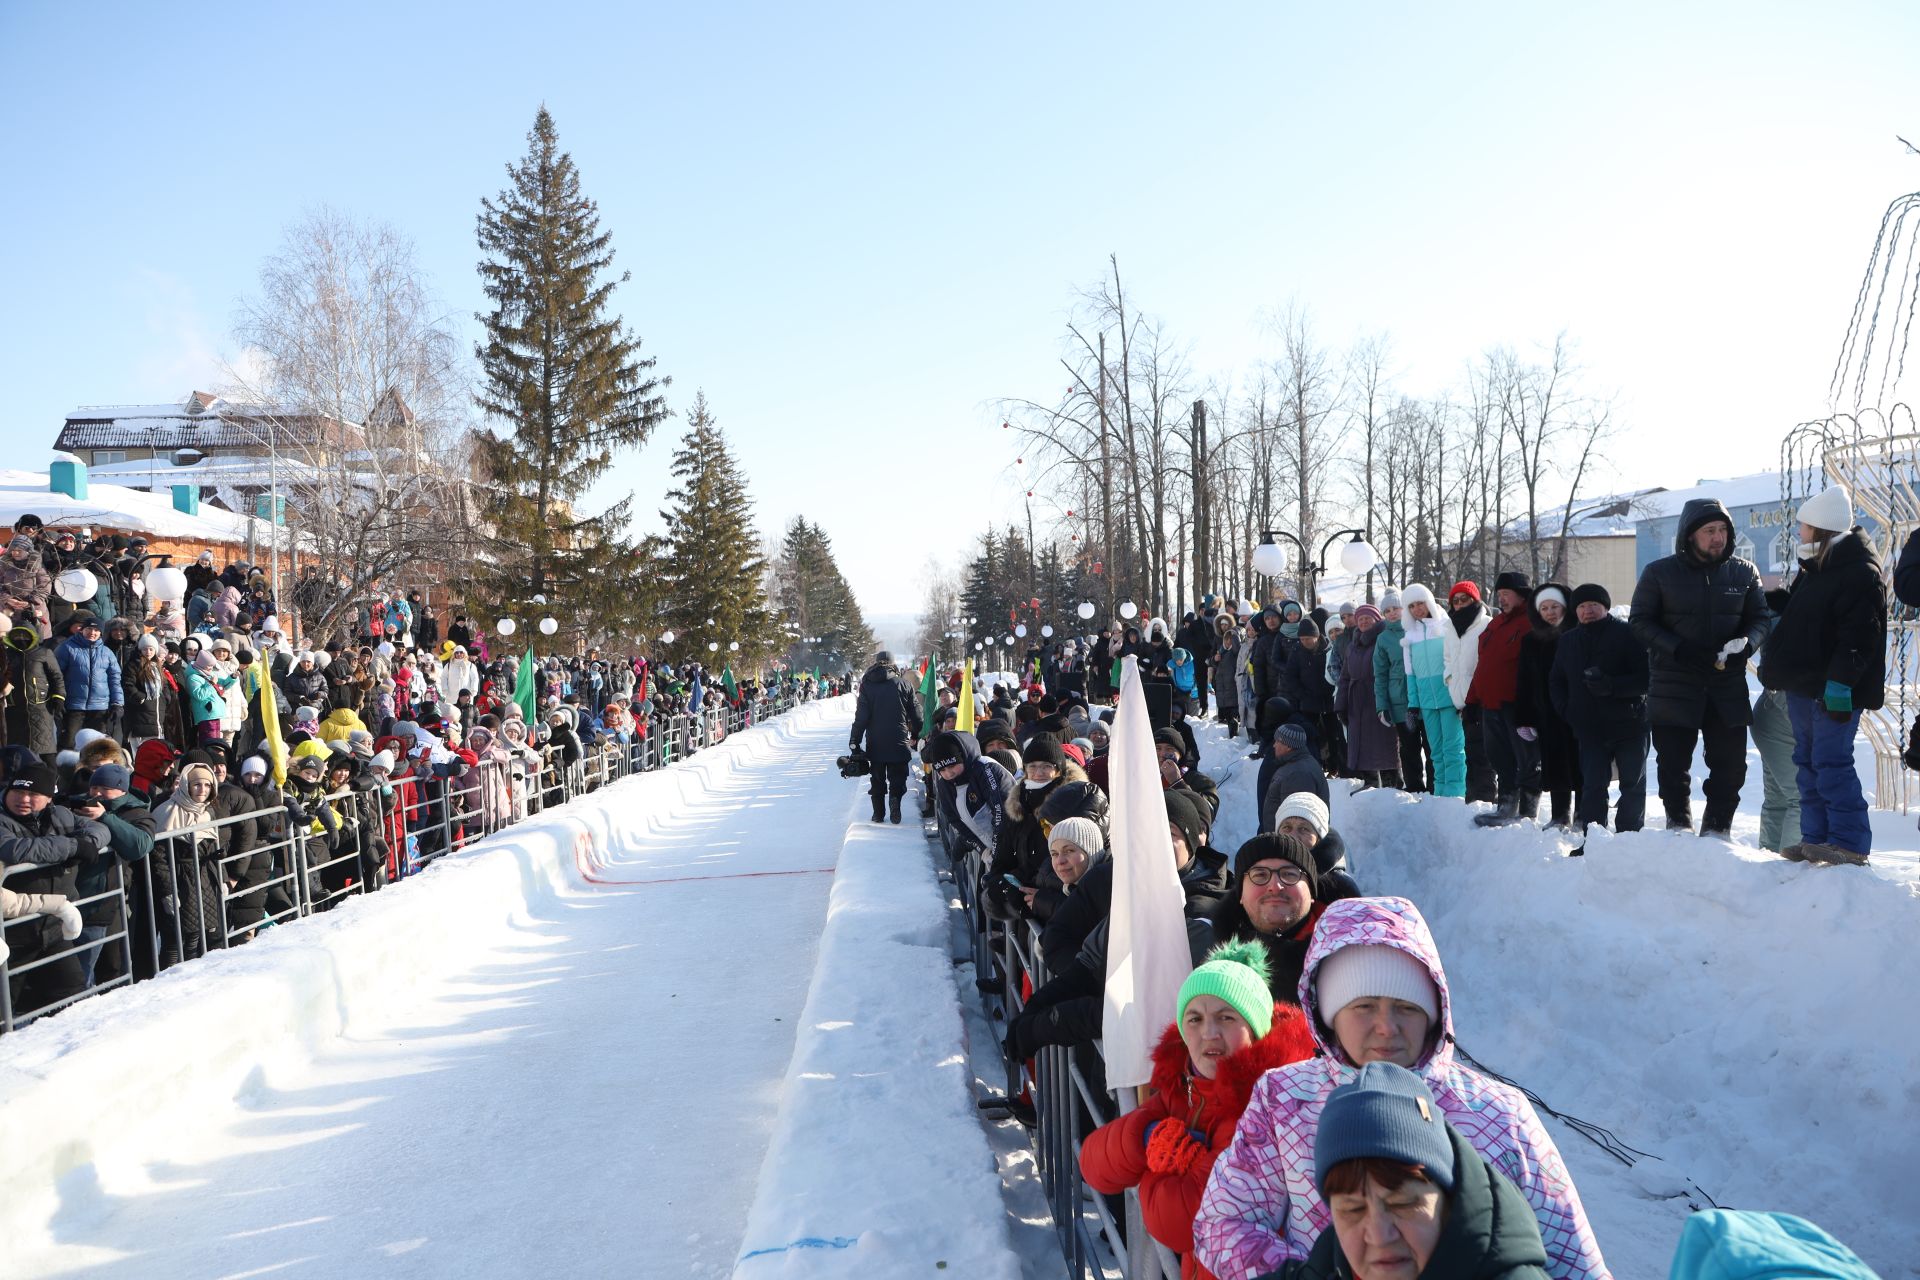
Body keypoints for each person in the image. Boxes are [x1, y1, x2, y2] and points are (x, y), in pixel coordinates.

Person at [1192, 896, 1606, 1280]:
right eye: (1364, 1006)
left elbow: (1575, 1261)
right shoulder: (1285, 1098)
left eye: (1407, 1007)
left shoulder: (1497, 1113)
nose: (1386, 1027)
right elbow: (1221, 1224)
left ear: (1434, 1011)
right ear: (1330, 1014)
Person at [1079, 941, 1317, 1280]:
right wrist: (1148, 1138)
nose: (1209, 1032)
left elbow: (1179, 1225)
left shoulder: (1261, 1105)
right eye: (1195, 1018)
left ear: (1258, 1026)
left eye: (1226, 1017)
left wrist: (1152, 1167)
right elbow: (1093, 1164)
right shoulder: (1184, 1085)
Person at [1277, 1061, 1552, 1280]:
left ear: (1447, 1197)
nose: (1379, 1235)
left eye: (1403, 1203)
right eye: (1352, 1209)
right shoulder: (1327, 1266)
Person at [1757, 485, 1885, 865]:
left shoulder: (1859, 572)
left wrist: (1840, 683)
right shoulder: (1817, 567)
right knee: (1807, 761)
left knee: (1832, 761)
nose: (1800, 533)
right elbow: (1810, 617)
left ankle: (1849, 842)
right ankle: (1815, 838)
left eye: (1805, 527)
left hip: (1833, 689)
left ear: (1823, 530)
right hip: (1804, 685)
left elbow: (1859, 635)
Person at [1629, 497, 1772, 836]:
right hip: (1674, 683)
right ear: (1690, 534)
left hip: (1727, 685)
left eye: (1722, 530)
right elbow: (1639, 622)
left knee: (1731, 765)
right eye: (1709, 530)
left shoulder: (1744, 571)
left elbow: (1761, 619)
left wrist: (1747, 644)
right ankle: (1677, 824)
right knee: (1673, 765)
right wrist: (1678, 648)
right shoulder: (1659, 573)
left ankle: (1717, 830)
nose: (1717, 537)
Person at [1550, 584, 1650, 839]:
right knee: (1593, 786)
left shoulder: (1628, 634)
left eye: (1594, 605)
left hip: (1629, 724)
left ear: (1605, 607)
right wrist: (1567, 710)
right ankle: (1593, 841)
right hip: (1590, 728)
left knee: (1633, 785)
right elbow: (1556, 681)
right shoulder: (1568, 640)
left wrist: (1612, 687)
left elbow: (1647, 678)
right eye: (1582, 606)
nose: (1588, 611)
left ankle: (1629, 839)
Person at [1204, 832, 1324, 1005]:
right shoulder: (1209, 957)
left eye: (1289, 874)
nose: (1275, 887)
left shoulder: (1342, 956)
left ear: (1312, 891)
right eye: (1260, 875)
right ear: (1240, 894)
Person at [1468, 573, 1539, 826]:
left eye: (1506, 594)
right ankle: (1506, 805)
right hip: (1491, 703)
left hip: (1518, 705)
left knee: (1527, 759)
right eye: (1499, 595)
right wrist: (1472, 699)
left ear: (1521, 594)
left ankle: (1528, 811)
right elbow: (1484, 664)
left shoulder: (1532, 621)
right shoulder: (1495, 624)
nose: (1501, 599)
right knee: (1500, 757)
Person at [1511, 585, 1579, 830]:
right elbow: (1524, 681)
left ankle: (1583, 814)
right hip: (1547, 714)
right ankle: (1561, 814)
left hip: (1576, 710)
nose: (1550, 612)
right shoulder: (1531, 640)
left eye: (1555, 607)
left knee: (1581, 764)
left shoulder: (1576, 633)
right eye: (1545, 608)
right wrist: (1524, 718)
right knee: (1556, 765)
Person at [1398, 586, 1471, 799]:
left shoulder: (1446, 627)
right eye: (1411, 606)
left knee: (1454, 749)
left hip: (1449, 699)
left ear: (1428, 602)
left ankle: (1456, 793)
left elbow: (1456, 664)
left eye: (1420, 603)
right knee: (1435, 752)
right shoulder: (1409, 637)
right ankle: (1440, 793)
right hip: (1427, 703)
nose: (1417, 609)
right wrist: (1413, 705)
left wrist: (1460, 698)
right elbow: (1410, 675)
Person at [1748, 588, 1802, 856]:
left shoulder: (1768, 624)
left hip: (1767, 717)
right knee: (1799, 797)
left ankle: (1769, 859)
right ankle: (1790, 866)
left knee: (1778, 799)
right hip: (1781, 715)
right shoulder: (1787, 625)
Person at [849, 650, 921, 824]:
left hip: (876, 741)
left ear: (876, 662)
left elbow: (861, 717)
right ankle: (895, 799)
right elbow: (917, 714)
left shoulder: (867, 684)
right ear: (893, 663)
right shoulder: (904, 684)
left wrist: (854, 741)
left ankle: (878, 813)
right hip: (899, 738)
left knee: (877, 778)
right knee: (898, 776)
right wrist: (917, 734)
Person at [1335, 604, 1399, 790]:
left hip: (1378, 697)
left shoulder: (1384, 639)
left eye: (1367, 618)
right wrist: (1341, 704)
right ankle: (1370, 782)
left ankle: (1392, 783)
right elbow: (1345, 677)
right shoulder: (1353, 644)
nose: (1363, 622)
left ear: (1377, 620)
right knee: (1361, 743)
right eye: (1360, 618)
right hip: (1357, 700)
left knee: (1385, 742)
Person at [924, 728, 1014, 856]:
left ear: (963, 757)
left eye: (952, 766)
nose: (949, 773)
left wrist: (998, 851)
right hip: (990, 851)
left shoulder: (985, 769)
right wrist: (982, 849)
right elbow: (954, 819)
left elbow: (1002, 811)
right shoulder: (945, 784)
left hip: (1012, 845)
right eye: (942, 770)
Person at [1370, 591, 1427, 792]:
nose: (1392, 613)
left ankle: (1436, 787)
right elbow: (1380, 675)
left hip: (1425, 697)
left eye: (1395, 608)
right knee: (1410, 747)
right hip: (1400, 701)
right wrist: (1382, 705)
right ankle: (1414, 786)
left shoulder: (1419, 629)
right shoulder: (1383, 639)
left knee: (1430, 745)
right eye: (1387, 611)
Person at [1268, 793, 1360, 903]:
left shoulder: (1340, 888)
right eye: (1287, 827)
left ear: (1319, 838)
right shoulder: (1264, 877)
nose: (1293, 836)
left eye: (1304, 829)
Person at [54, 613, 121, 749]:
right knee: (69, 744)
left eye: (97, 630)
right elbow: (56, 675)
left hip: (100, 707)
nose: (92, 633)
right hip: (74, 706)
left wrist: (117, 703)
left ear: (101, 633)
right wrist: (58, 697)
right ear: (82, 630)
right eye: (89, 629)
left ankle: (95, 770)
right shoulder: (67, 648)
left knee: (97, 747)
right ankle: (67, 769)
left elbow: (115, 680)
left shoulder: (107, 653)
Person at [1259, 724, 1330, 834]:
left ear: (1288, 746)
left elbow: (1296, 823)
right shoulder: (1295, 765)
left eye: (1278, 741)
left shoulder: (1298, 775)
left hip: (1285, 845)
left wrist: (1282, 847)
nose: (1274, 745)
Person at [1212, 613, 1243, 738]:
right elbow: (1211, 661)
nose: (1228, 641)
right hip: (1221, 684)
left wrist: (1235, 636)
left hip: (1231, 684)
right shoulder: (1220, 650)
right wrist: (1215, 659)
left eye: (1231, 639)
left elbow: (1236, 647)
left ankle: (1233, 731)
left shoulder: (1235, 652)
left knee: (1232, 710)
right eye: (1227, 639)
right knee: (1224, 708)